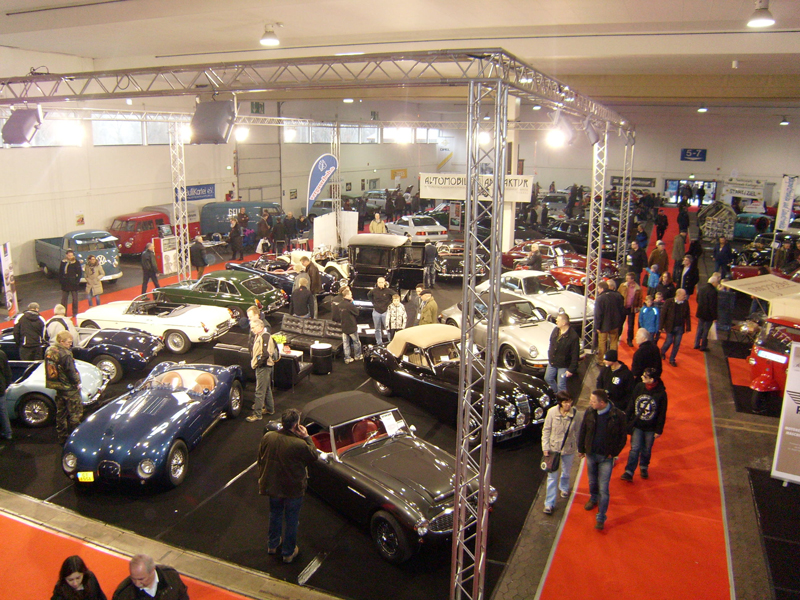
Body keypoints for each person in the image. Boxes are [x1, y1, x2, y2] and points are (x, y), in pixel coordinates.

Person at [257, 408, 320, 564]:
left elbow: (260, 458)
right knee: (291, 520)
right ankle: (288, 553)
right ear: (296, 425)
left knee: (275, 514)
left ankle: (272, 545)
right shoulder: (299, 444)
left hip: (272, 485)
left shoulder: (268, 437)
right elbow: (313, 455)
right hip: (293, 489)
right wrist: (306, 437)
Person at [577, 389, 628, 531]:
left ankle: (601, 517)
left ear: (602, 403)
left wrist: (614, 453)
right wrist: (581, 448)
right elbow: (583, 430)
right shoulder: (590, 412)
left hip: (606, 457)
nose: (590, 403)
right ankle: (593, 498)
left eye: (593, 401)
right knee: (592, 481)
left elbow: (622, 437)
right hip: (591, 454)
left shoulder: (617, 416)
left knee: (604, 488)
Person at [621, 368, 668, 482]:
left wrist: (659, 430)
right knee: (635, 448)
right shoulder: (639, 387)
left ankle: (643, 466)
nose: (642, 377)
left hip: (651, 427)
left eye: (645, 376)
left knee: (646, 449)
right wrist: (627, 419)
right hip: (638, 425)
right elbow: (632, 403)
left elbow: (662, 413)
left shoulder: (661, 394)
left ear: (652, 379)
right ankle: (629, 471)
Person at [541, 391, 582, 515]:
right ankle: (549, 503)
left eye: (570, 402)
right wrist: (545, 447)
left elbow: (578, 431)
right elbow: (546, 430)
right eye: (565, 402)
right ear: (560, 403)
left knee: (566, 472)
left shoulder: (576, 414)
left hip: (568, 448)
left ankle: (564, 488)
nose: (568, 404)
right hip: (554, 448)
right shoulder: (552, 412)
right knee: (552, 477)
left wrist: (581, 448)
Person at [45, 330, 82, 444]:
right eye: (68, 342)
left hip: (58, 387)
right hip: (69, 388)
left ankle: (62, 437)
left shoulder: (50, 350)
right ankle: (76, 439)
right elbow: (70, 371)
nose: (70, 344)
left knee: (61, 413)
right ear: (61, 341)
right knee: (75, 414)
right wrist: (77, 383)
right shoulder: (65, 354)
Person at [111, 554, 188, 600]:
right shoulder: (124, 594)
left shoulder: (171, 577)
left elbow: (182, 596)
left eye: (141, 579)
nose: (137, 583)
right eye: (133, 578)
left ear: (152, 570)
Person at [248, 319, 276, 421]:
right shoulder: (260, 336)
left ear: (260, 326)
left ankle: (257, 414)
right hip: (264, 366)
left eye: (253, 327)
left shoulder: (265, 337)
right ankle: (270, 409)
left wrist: (258, 364)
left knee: (259, 391)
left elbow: (265, 354)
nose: (252, 330)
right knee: (266, 388)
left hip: (263, 367)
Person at [545, 313, 580, 393]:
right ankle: (556, 394)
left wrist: (571, 369)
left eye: (558, 320)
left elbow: (575, 354)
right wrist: (550, 355)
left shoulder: (573, 337)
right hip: (553, 361)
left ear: (564, 323)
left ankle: (562, 398)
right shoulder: (556, 330)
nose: (556, 322)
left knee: (561, 384)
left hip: (564, 364)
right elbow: (551, 343)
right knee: (548, 378)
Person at [594, 280, 625, 362]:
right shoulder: (618, 296)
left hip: (603, 326)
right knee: (614, 342)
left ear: (601, 288)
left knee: (602, 343)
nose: (598, 290)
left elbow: (598, 314)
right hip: (615, 324)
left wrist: (597, 326)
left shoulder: (600, 298)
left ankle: (601, 361)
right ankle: (613, 360)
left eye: (598, 289)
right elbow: (622, 310)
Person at [659, 288, 691, 367]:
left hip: (680, 327)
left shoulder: (686, 303)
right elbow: (663, 315)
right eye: (684, 295)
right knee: (669, 341)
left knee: (677, 344)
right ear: (678, 295)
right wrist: (661, 326)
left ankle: (672, 359)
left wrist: (688, 327)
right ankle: (662, 352)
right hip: (670, 326)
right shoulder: (669, 302)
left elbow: (687, 315)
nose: (685, 296)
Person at [695, 274, 721, 351]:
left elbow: (697, 299)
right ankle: (703, 346)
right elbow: (713, 305)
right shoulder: (713, 291)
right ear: (713, 283)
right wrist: (714, 317)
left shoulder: (701, 289)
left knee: (699, 329)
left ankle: (696, 344)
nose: (717, 284)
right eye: (717, 283)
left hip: (700, 312)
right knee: (706, 330)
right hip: (708, 314)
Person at [617, 271, 643, 347]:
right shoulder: (622, 286)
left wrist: (638, 307)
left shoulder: (638, 288)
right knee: (620, 323)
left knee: (631, 325)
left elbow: (640, 299)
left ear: (632, 279)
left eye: (628, 278)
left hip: (631, 309)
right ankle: (617, 336)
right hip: (623, 307)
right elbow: (618, 294)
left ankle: (629, 340)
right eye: (626, 278)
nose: (627, 280)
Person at [338, 288, 362, 364]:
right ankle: (357, 356)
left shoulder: (340, 304)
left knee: (346, 343)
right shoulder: (349, 305)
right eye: (351, 294)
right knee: (356, 342)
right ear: (347, 295)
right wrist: (352, 303)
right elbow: (357, 312)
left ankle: (347, 358)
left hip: (344, 326)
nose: (351, 296)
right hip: (351, 326)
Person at [368, 277, 394, 344]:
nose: (380, 284)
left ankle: (390, 342)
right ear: (377, 283)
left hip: (386, 312)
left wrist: (391, 304)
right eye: (379, 282)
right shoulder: (373, 291)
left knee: (388, 328)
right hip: (376, 311)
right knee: (377, 329)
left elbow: (395, 295)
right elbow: (369, 295)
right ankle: (379, 342)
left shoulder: (388, 291)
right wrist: (373, 303)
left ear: (384, 283)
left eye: (382, 282)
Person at [59, 249, 83, 318]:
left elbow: (79, 273)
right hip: (65, 283)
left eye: (71, 255)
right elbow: (60, 272)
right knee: (63, 300)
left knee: (75, 299)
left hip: (73, 283)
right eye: (69, 255)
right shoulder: (63, 262)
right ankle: (63, 313)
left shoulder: (76, 262)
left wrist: (77, 281)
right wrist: (61, 281)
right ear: (66, 255)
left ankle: (75, 312)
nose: (70, 257)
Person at [0, 348, 13, 441]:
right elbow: (7, 372)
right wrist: (6, 385)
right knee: (3, 411)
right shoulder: (1, 354)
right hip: (0, 387)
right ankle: (7, 433)